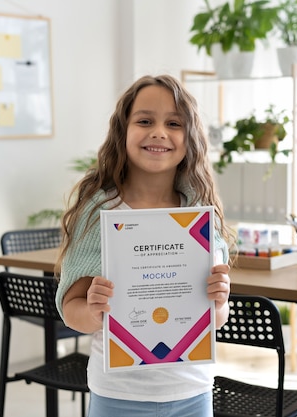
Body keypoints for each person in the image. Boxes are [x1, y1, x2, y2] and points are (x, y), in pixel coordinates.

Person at [55, 74, 235, 417]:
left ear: (190, 138)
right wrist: (93, 313)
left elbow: (216, 316)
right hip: (119, 395)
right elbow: (71, 307)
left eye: (173, 123)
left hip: (193, 391)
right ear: (123, 131)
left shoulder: (199, 214)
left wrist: (220, 301)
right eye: (145, 121)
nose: (159, 132)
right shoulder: (100, 212)